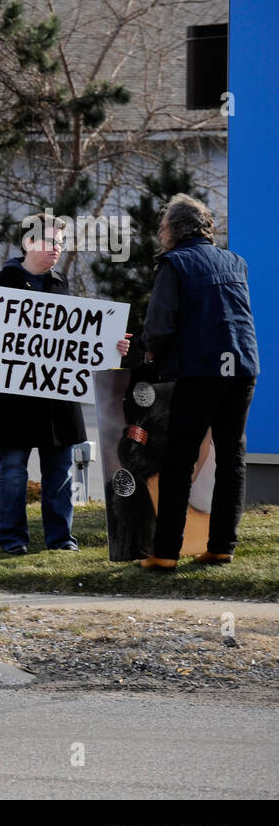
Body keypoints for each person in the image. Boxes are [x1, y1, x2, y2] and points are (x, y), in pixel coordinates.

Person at [0, 213, 130, 555]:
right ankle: (12, 539)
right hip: (14, 396)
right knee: (13, 470)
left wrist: (111, 346)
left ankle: (60, 538)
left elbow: (74, 340)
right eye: (50, 241)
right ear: (28, 243)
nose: (56, 248)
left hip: (57, 399)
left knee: (60, 470)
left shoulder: (61, 283)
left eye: (59, 242)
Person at [138, 194, 259, 569]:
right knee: (231, 457)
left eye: (162, 229)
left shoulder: (174, 264)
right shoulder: (235, 261)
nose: (160, 236)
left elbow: (160, 323)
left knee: (179, 460)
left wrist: (151, 354)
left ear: (175, 230)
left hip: (199, 370)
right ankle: (222, 546)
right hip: (242, 367)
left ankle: (166, 554)